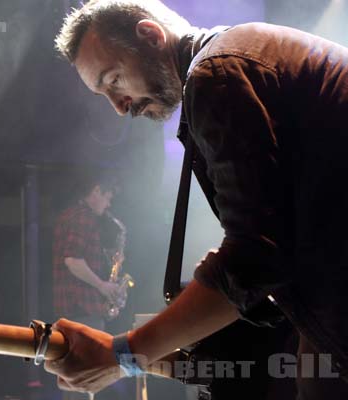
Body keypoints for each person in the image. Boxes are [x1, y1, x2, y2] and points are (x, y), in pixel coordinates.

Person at [45, 1, 348, 399]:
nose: (119, 107)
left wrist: (124, 355)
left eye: (114, 79)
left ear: (151, 36)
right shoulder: (239, 55)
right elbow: (280, 237)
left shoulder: (216, 73)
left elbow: (256, 258)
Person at [52, 172, 122, 400]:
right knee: (86, 380)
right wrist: (103, 286)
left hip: (72, 309)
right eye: (107, 197)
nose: (108, 203)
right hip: (83, 310)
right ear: (96, 191)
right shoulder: (84, 217)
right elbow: (72, 260)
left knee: (75, 381)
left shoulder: (68, 215)